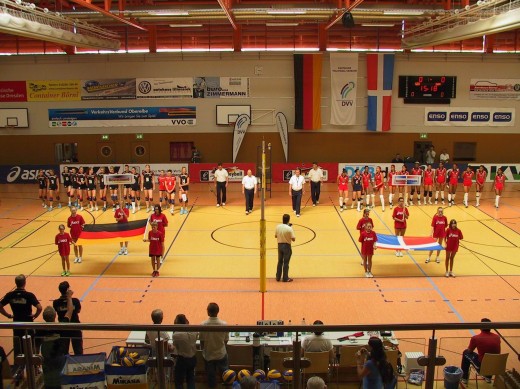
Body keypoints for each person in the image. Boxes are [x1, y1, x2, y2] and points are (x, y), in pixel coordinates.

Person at [38, 288, 74, 389]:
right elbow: (70, 310)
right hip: (59, 358)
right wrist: (69, 297)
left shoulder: (39, 330)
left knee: (49, 378)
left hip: (47, 360)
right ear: (55, 316)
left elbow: (36, 346)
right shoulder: (60, 327)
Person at [0, 275, 42, 359]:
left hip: (16, 323)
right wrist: (35, 315)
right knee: (30, 346)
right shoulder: (29, 295)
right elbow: (39, 307)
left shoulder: (10, 295)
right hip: (28, 323)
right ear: (25, 283)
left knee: (18, 347)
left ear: (16, 283)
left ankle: (19, 368)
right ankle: (32, 366)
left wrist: (8, 315)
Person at [460, 318, 501, 385]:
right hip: (495, 367)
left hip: (482, 367)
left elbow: (469, 351)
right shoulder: (497, 337)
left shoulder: (476, 338)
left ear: (480, 327)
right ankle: (488, 378)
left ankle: (464, 378)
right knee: (491, 357)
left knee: (465, 352)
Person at [200, 302, 229, 389]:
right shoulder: (224, 324)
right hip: (221, 354)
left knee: (211, 379)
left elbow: (202, 342)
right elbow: (226, 341)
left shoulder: (203, 325)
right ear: (218, 311)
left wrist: (204, 350)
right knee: (226, 376)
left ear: (208, 312)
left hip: (208, 355)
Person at [52, 281, 82, 355]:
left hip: (63, 329)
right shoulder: (75, 301)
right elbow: (78, 311)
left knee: (64, 352)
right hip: (75, 328)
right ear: (68, 290)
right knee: (78, 351)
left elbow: (56, 311)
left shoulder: (56, 302)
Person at [172, 313, 197, 389]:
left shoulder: (176, 335)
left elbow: (175, 346)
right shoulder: (194, 332)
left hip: (182, 360)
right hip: (192, 359)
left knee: (179, 381)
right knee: (191, 379)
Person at [275, 214, 296, 282]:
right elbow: (293, 239)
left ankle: (278, 277)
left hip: (279, 245)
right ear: (288, 220)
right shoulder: (289, 228)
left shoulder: (278, 227)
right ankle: (285, 277)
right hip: (286, 246)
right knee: (286, 262)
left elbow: (275, 236)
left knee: (280, 261)